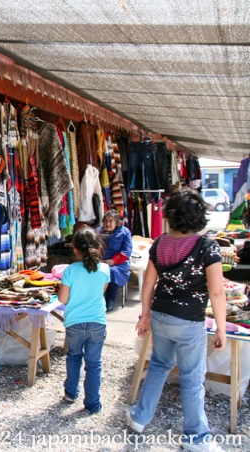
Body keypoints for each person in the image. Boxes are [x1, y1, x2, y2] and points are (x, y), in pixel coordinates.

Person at [128, 189, 227, 452]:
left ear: (171, 214)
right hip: (189, 320)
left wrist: (145, 314)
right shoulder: (207, 245)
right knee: (192, 378)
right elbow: (217, 291)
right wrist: (221, 327)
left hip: (161, 315)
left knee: (159, 365)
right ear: (198, 216)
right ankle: (196, 437)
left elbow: (148, 282)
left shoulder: (160, 243)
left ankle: (139, 418)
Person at [57, 227, 110, 414]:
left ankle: (71, 393)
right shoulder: (105, 269)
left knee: (74, 357)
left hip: (74, 323)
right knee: (94, 364)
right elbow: (100, 292)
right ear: (97, 247)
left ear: (75, 249)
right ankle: (93, 403)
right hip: (97, 322)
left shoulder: (70, 271)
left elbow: (62, 299)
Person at [96, 209, 132, 312]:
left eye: (110, 221)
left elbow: (126, 250)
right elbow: (92, 246)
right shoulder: (99, 231)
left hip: (118, 263)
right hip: (101, 260)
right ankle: (99, 299)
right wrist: (98, 259)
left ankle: (110, 300)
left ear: (116, 222)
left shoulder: (124, 232)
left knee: (113, 271)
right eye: (105, 221)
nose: (107, 223)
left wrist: (113, 261)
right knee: (97, 270)